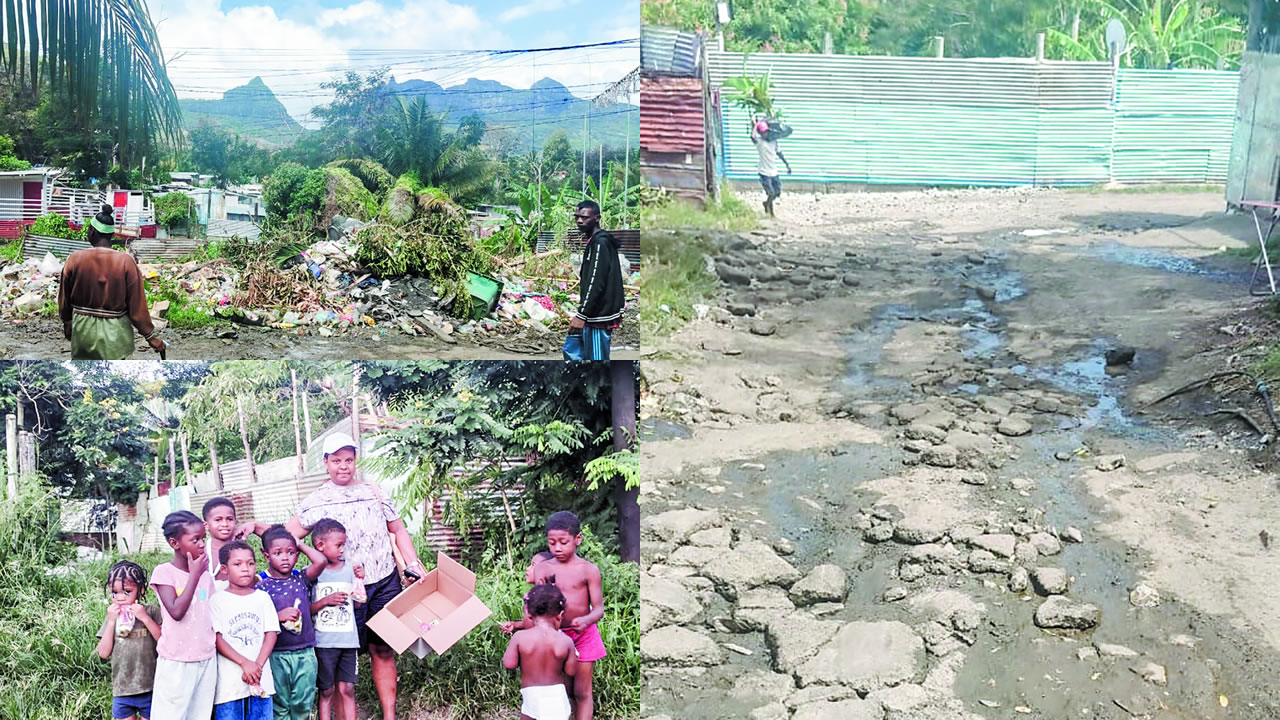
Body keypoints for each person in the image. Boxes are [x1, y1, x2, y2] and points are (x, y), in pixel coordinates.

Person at [284, 432, 424, 720]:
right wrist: (308, 568)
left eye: (348, 460)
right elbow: (286, 538)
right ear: (325, 462)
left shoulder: (375, 491)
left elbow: (397, 530)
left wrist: (413, 564)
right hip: (342, 591)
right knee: (338, 656)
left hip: (384, 581)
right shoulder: (316, 501)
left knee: (382, 649)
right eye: (336, 461)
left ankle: (389, 715)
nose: (343, 466)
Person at [502, 511, 605, 720]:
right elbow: (539, 605)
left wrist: (585, 621)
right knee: (563, 690)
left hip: (584, 636)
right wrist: (521, 626)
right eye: (552, 543)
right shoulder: (543, 569)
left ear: (577, 539)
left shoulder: (589, 570)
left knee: (582, 692)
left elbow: (599, 609)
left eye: (563, 542)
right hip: (555, 637)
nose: (557, 548)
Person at [57, 204, 164, 359]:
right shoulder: (126, 261)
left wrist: (67, 323)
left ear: (92, 231)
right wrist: (150, 336)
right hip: (116, 335)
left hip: (83, 332)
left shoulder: (75, 259)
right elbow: (137, 307)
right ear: (112, 235)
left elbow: (64, 299)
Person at [150, 511, 218, 720]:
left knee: (200, 715)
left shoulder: (206, 576)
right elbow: (176, 611)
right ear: (174, 543)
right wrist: (195, 575)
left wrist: (199, 574)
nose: (201, 544)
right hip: (176, 660)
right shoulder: (164, 572)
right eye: (195, 539)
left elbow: (211, 613)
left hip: (205, 657)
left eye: (203, 538)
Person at [257, 524, 328, 720]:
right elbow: (254, 616)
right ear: (266, 555)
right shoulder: (260, 584)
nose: (285, 557)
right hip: (276, 654)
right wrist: (277, 617)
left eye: (291, 552)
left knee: (302, 703)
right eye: (278, 552)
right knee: (280, 704)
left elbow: (320, 561)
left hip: (305, 652)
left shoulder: (301, 578)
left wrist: (299, 543)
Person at [210, 541, 280, 720]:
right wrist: (244, 663)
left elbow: (271, 633)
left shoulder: (262, 598)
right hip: (230, 685)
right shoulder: (217, 600)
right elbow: (217, 639)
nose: (245, 569)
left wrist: (257, 666)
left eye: (250, 563)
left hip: (261, 679)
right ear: (224, 569)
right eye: (238, 564)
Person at [308, 519, 364, 720]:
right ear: (320, 545)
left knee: (347, 688)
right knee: (326, 691)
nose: (342, 550)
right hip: (324, 643)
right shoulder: (313, 573)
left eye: (344, 545)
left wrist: (359, 581)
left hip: (348, 641)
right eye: (338, 545)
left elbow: (357, 604)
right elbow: (307, 610)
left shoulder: (350, 569)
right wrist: (325, 601)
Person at [96, 560, 163, 720]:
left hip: (150, 687)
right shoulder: (112, 618)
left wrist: (145, 618)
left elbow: (164, 642)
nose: (120, 597)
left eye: (127, 591)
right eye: (114, 593)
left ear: (140, 590)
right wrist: (111, 621)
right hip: (123, 688)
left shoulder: (152, 611)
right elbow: (103, 653)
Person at [502, 584, 578, 720]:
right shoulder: (565, 641)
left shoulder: (520, 637)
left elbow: (509, 664)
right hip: (557, 698)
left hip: (531, 696)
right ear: (560, 615)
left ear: (529, 614)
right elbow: (571, 671)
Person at [564, 200, 624, 362]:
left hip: (598, 314)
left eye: (584, 217)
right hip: (595, 312)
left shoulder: (600, 243)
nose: (579, 221)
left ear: (597, 218)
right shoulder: (596, 241)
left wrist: (582, 314)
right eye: (577, 217)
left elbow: (596, 280)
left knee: (597, 361)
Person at [204, 497, 270, 591]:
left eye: (229, 519)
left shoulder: (241, 550)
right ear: (206, 525)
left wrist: (255, 526)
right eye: (218, 520)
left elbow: (277, 536)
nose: (225, 524)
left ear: (236, 523)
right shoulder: (201, 550)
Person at [751, 118, 792, 217]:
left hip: (774, 171)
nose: (765, 134)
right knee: (771, 192)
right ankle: (770, 211)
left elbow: (779, 153)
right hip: (764, 172)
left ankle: (766, 204)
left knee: (777, 192)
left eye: (766, 132)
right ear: (760, 133)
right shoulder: (760, 143)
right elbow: (752, 136)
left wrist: (787, 165)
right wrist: (756, 124)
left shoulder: (774, 142)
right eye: (763, 132)